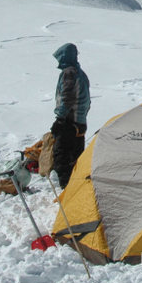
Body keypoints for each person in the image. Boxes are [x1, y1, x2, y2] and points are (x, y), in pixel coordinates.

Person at [50, 42, 90, 189]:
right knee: (76, 159)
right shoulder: (80, 73)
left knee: (62, 158)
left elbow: (67, 97)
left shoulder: (69, 73)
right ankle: (77, 189)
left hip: (69, 122)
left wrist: (60, 119)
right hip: (80, 123)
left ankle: (66, 190)